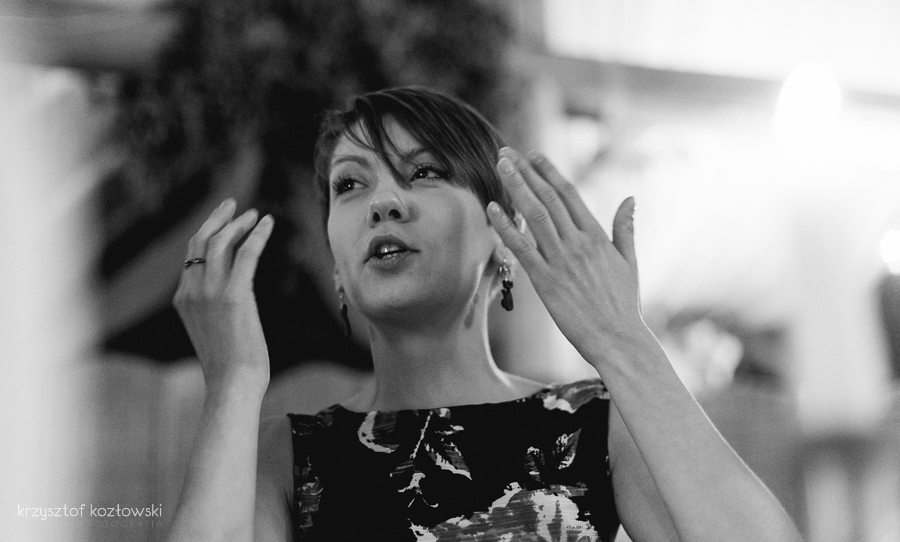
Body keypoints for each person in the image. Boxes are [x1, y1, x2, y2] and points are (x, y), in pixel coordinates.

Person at [166, 87, 803, 542]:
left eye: (424, 172)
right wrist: (233, 383)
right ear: (336, 267)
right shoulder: (285, 454)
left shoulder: (594, 428)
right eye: (350, 184)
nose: (383, 202)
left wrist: (623, 342)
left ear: (504, 239)